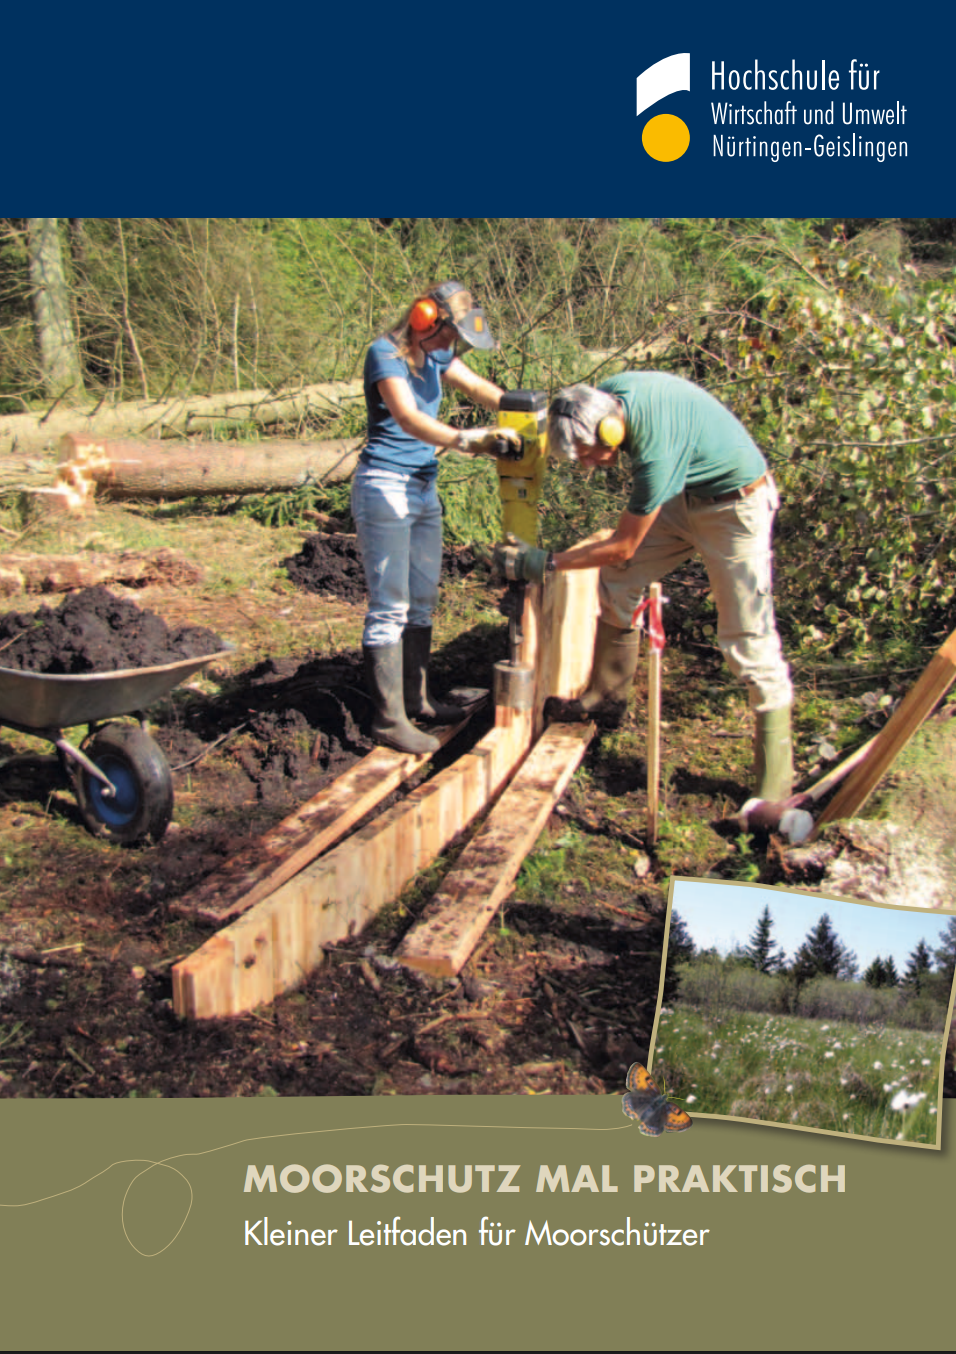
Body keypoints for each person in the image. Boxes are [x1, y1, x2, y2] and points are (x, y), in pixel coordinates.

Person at [492, 371, 794, 802]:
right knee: (619, 580)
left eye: (589, 455)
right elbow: (623, 560)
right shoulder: (607, 398)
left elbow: (623, 545)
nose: (589, 465)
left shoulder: (655, 455)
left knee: (747, 639)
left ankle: (774, 791)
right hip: (686, 496)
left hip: (735, 508)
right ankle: (605, 698)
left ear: (610, 431)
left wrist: (548, 562)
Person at [353, 281, 520, 755]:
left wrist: (524, 409)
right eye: (449, 334)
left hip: (423, 487)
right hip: (385, 487)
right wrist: (467, 440)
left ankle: (417, 700)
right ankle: (388, 720)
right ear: (424, 318)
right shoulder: (384, 355)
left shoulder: (439, 354)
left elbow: (479, 387)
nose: (452, 346)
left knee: (423, 600)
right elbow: (408, 418)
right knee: (390, 606)